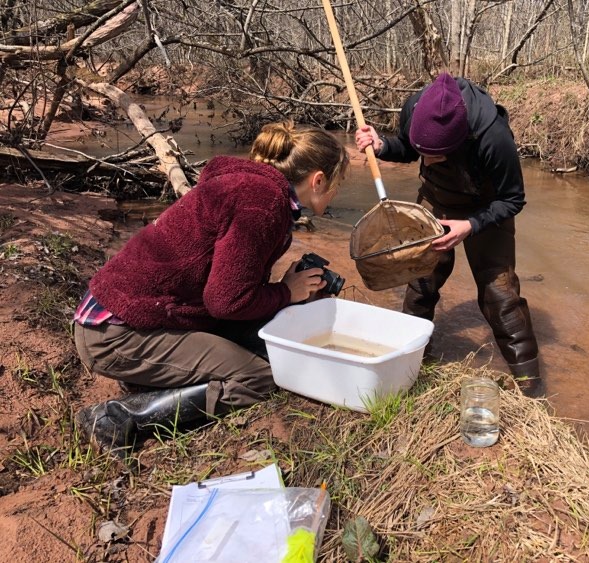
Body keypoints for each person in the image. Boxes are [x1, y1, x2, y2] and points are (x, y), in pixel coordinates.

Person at [74, 120, 349, 456]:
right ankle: (119, 416)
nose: (338, 191)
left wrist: (285, 292)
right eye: (339, 183)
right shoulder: (262, 204)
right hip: (114, 335)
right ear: (318, 180)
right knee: (260, 377)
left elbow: (226, 287)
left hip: (118, 317)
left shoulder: (248, 187)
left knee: (260, 340)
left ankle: (151, 380)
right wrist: (285, 293)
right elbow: (225, 302)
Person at [355, 73, 541, 395]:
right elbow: (408, 150)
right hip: (435, 198)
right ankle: (412, 366)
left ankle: (530, 388)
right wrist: (383, 145)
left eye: (436, 154)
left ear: (458, 141)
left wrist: (469, 225)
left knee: (501, 298)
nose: (426, 160)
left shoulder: (493, 136)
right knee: (421, 282)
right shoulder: (414, 107)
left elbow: (513, 199)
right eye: (423, 150)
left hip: (487, 206)